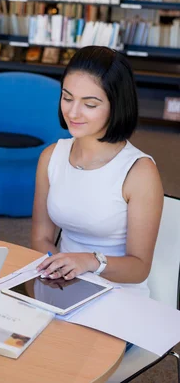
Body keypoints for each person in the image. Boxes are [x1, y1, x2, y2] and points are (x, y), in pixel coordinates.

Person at [31, 46, 163, 297]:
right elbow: (40, 239)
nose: (72, 112)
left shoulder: (139, 172)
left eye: (89, 104)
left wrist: (90, 262)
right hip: (62, 285)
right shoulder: (51, 157)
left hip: (119, 294)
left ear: (116, 106)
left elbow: (139, 268)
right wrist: (63, 271)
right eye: (67, 98)